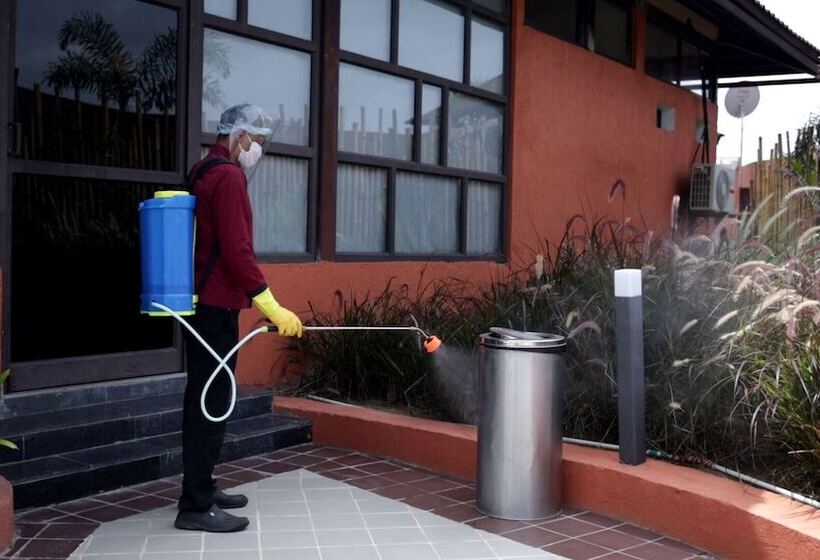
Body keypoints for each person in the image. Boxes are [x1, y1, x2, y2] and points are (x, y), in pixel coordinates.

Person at [174, 104, 303, 533]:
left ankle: (203, 487)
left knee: (204, 396)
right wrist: (271, 306)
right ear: (240, 135)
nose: (258, 151)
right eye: (258, 142)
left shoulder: (203, 169)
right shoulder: (228, 177)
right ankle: (194, 506)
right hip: (216, 304)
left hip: (204, 300)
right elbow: (237, 250)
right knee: (211, 401)